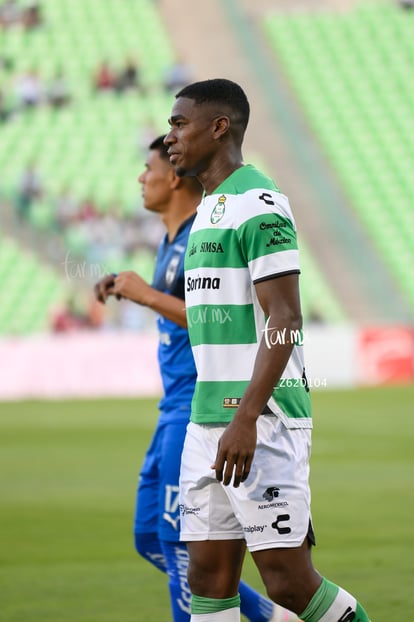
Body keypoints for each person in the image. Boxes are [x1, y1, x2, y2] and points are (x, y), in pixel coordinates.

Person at [164, 79, 372, 622]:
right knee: (207, 579)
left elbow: (285, 316)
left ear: (219, 126)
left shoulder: (260, 202)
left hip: (261, 421)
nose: (169, 137)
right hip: (206, 421)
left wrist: (247, 418)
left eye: (179, 123)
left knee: (287, 584)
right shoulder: (208, 209)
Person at [94, 135, 301, 622]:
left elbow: (213, 314)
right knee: (151, 537)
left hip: (197, 400)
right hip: (172, 403)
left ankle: (273, 614)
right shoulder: (171, 241)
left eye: (148, 168)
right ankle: (275, 616)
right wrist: (135, 290)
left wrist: (145, 295)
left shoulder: (199, 236)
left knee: (181, 545)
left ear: (173, 176)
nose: (141, 178)